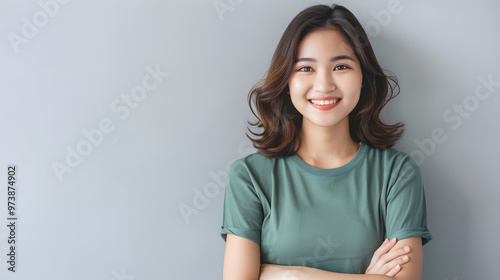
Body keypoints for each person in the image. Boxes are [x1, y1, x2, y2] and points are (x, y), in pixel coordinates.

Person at [220, 4, 432, 280]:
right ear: (286, 81)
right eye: (306, 68)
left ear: (363, 78)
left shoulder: (397, 173)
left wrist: (290, 275)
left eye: (341, 66)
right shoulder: (248, 177)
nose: (324, 84)